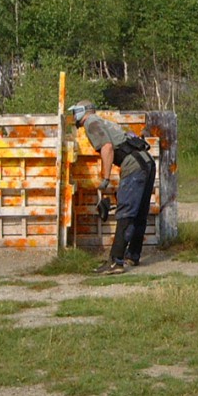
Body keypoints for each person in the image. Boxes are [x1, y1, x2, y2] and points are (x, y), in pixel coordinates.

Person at [67, 100, 156, 274]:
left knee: (125, 213)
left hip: (134, 165)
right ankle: (132, 255)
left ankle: (116, 261)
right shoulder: (103, 121)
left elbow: (107, 148)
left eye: (75, 112)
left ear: (82, 111)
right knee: (139, 212)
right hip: (147, 162)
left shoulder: (91, 122)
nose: (73, 116)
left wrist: (106, 178)